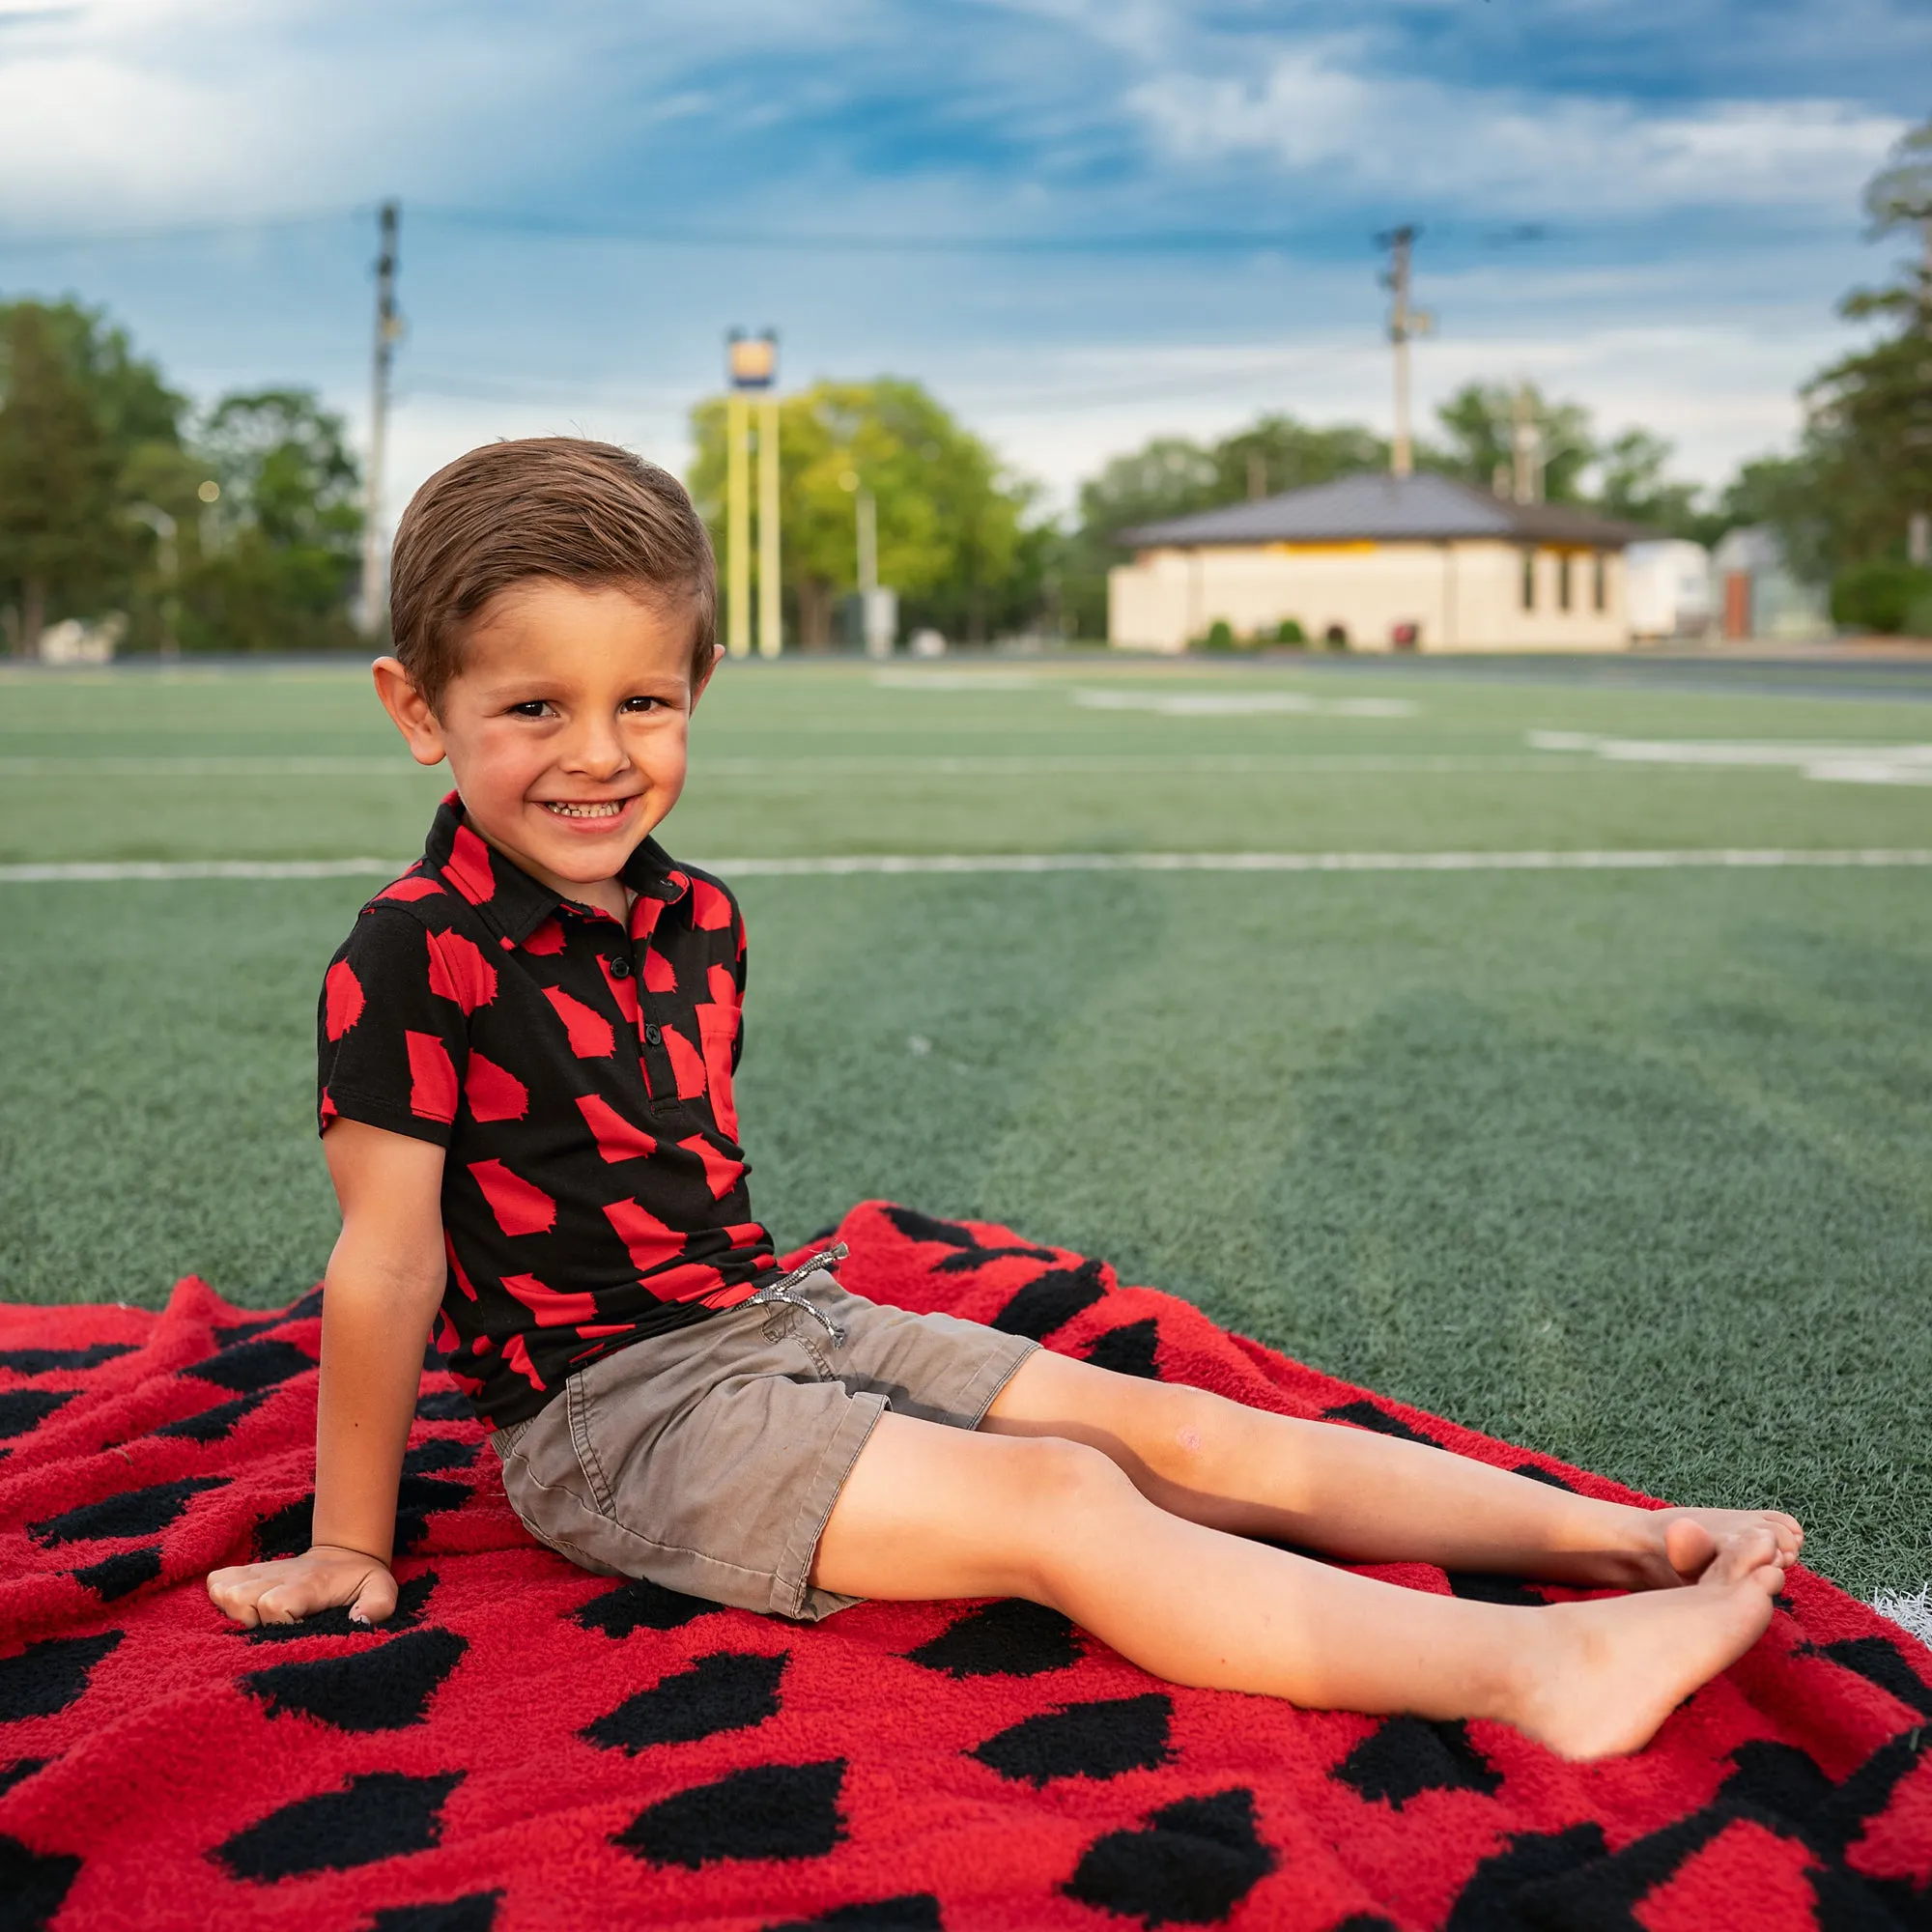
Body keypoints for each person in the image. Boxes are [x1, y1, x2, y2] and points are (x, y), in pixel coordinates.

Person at [208, 438, 1802, 1760]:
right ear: (421, 710)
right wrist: (353, 1540)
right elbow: (392, 1261)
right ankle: (1535, 1677)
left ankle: (1616, 1543)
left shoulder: (702, 917)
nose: (601, 755)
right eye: (534, 708)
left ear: (699, 683)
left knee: (1157, 1422)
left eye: (644, 701)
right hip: (613, 1422)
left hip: (778, 1321)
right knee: (1059, 1499)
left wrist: (807, 1347)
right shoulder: (413, 954)